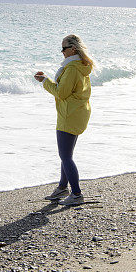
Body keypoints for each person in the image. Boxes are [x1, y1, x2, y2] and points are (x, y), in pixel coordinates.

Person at [34, 34, 94, 206]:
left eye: (64, 48)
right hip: (77, 113)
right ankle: (62, 188)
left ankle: (76, 193)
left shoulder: (73, 68)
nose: (62, 52)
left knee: (65, 156)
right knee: (67, 155)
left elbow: (61, 92)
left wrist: (45, 81)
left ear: (73, 49)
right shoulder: (81, 66)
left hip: (69, 115)